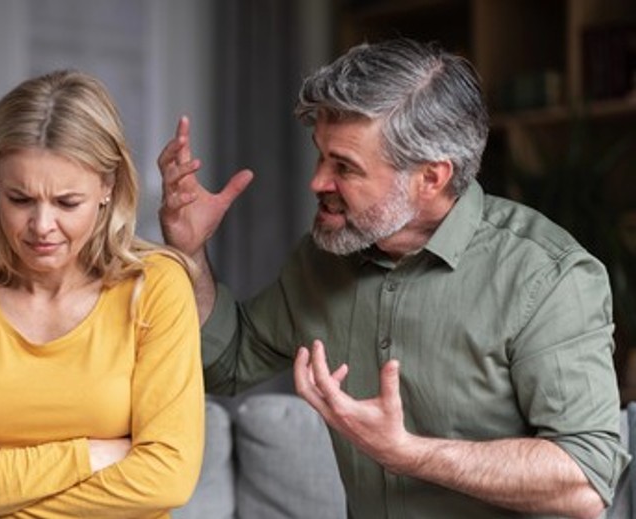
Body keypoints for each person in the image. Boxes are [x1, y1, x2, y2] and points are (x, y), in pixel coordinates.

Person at [157, 38, 630, 518]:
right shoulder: (322, 260)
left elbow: (585, 483)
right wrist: (191, 253)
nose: (317, 182)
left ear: (431, 177)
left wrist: (408, 453)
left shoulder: (546, 278)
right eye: (321, 155)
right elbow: (226, 362)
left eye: (344, 167)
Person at [0, 69, 204, 519]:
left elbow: (167, 478)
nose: (41, 226)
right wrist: (93, 455)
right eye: (20, 199)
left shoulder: (155, 287)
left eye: (66, 203)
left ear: (107, 190)